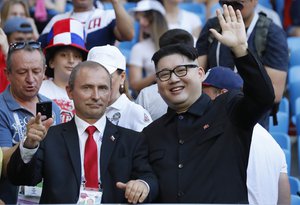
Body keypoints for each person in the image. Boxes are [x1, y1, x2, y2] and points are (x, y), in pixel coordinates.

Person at [142, 5, 274, 203]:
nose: (173, 79)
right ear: (158, 85)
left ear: (200, 74)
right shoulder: (151, 133)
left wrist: (240, 50)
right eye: (164, 74)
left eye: (181, 70)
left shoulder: (228, 109)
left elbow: (263, 97)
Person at [7, 61, 158, 204]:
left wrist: (142, 185)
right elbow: (20, 178)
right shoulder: (50, 137)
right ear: (69, 92)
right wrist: (29, 145)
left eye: (103, 88)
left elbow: (149, 178)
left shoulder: (132, 140)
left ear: (110, 92)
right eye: (87, 87)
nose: (96, 96)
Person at [202, 66, 290, 205]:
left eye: (203, 93)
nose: (198, 99)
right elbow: (284, 199)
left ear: (222, 94)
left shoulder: (221, 137)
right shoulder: (271, 142)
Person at [196, 0, 289, 129]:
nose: (233, 6)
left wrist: (227, 90)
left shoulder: (272, 33)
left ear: (255, 1)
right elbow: (196, 74)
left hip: (252, 121)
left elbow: (275, 93)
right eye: (228, 2)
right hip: (211, 115)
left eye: (239, 3)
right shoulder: (213, 27)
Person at [0, 41, 61, 204]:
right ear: (7, 74)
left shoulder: (53, 108)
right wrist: (29, 142)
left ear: (44, 73)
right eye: (22, 72)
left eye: (36, 71)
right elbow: (4, 165)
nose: (30, 79)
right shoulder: (0, 107)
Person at [87, 45, 152, 131]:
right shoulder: (79, 108)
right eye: (93, 76)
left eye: (107, 76)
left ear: (122, 77)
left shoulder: (135, 113)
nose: (99, 82)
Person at [135, 28, 194, 120]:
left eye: (181, 70)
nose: (174, 79)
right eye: (166, 74)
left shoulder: (147, 94)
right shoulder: (146, 95)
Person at [39, 18, 88, 123]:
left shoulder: (90, 92)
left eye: (76, 56)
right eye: (64, 55)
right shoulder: (40, 90)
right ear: (51, 62)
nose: (71, 60)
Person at [38, 0, 134, 50]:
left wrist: (115, 2)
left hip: (100, 75)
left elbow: (128, 35)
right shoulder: (57, 19)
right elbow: (39, 49)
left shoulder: (107, 15)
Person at [129, 0, 168, 93]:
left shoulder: (179, 37)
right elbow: (134, 85)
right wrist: (159, 74)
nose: (141, 22)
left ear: (158, 18)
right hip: (156, 94)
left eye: (145, 17)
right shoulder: (138, 48)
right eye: (139, 19)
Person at [0, 17, 35, 93]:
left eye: (29, 39)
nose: (25, 44)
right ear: (5, 39)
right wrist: (7, 53)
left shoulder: (38, 63)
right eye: (19, 40)